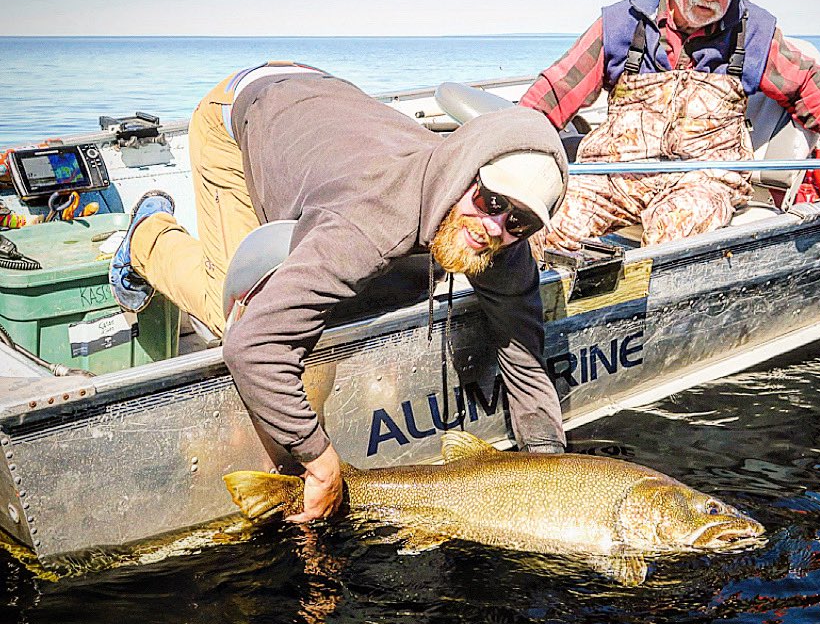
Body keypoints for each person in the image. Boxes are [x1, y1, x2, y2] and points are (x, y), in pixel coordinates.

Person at [108, 62, 570, 522]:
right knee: (232, 308)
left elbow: (524, 358)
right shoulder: (369, 219)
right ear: (468, 171)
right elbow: (251, 346)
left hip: (328, 104)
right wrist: (320, 461)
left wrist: (548, 470)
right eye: (491, 201)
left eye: (519, 220)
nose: (494, 227)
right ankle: (148, 236)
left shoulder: (504, 241)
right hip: (244, 113)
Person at [519, 0, 820, 252]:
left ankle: (646, 318)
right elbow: (557, 89)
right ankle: (540, 316)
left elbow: (804, 81)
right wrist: (505, 141)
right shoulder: (621, 23)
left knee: (676, 225)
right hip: (616, 178)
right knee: (546, 218)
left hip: (704, 183)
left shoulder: (754, 31)